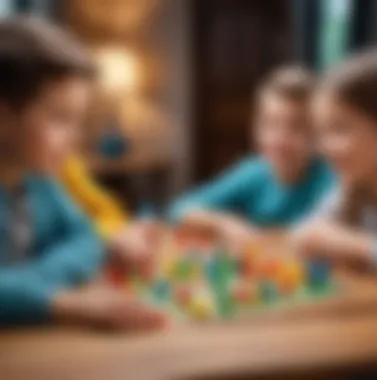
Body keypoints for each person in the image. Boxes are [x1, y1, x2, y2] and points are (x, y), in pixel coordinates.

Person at [0, 17, 165, 329]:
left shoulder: (41, 183)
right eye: (60, 118)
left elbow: (86, 236)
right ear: (3, 116)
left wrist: (23, 284)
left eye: (77, 120)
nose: (75, 138)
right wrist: (60, 301)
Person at [168, 67, 334, 248]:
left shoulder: (332, 179)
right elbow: (179, 210)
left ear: (318, 132)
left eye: (296, 127)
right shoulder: (253, 172)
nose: (279, 139)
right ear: (255, 127)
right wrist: (225, 224)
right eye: (270, 124)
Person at [293, 51, 377, 268]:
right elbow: (310, 233)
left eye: (339, 129)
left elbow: (334, 240)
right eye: (321, 132)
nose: (324, 148)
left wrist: (356, 246)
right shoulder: (351, 186)